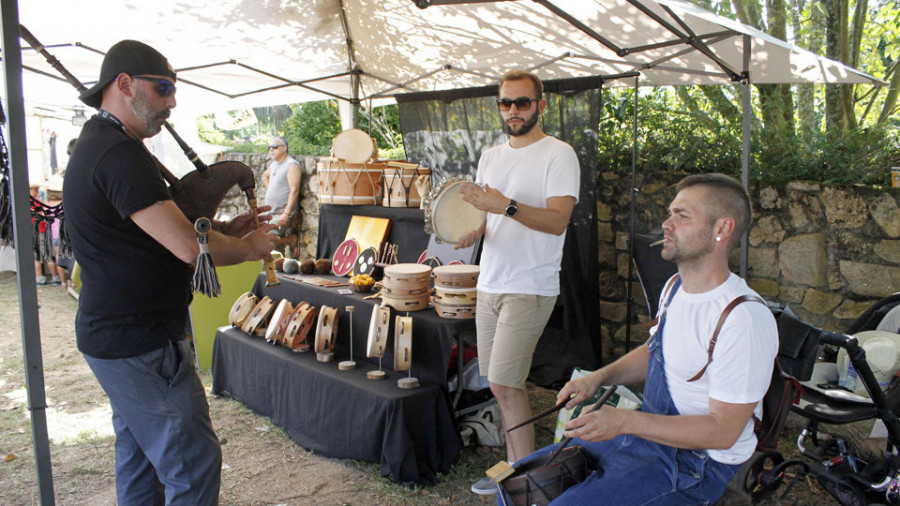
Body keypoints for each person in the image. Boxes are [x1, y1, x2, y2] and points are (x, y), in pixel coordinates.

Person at [64, 40, 276, 505]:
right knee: (192, 463)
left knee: (143, 462)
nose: (172, 101)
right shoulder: (119, 154)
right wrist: (247, 247)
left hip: (121, 338)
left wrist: (224, 228)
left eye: (173, 89)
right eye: (162, 88)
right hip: (138, 343)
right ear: (123, 85)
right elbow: (185, 246)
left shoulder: (107, 145)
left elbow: (154, 229)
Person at [508, 174, 779, 505]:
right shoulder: (675, 287)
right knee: (516, 483)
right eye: (670, 213)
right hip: (648, 437)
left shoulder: (742, 319)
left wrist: (624, 420)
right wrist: (599, 377)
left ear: (722, 229)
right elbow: (658, 352)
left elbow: (723, 432)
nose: (666, 224)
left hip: (697, 465)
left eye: (682, 216)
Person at [455, 70, 580, 495]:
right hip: (490, 281)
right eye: (505, 103)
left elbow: (558, 221)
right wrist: (476, 228)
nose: (512, 110)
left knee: (507, 382)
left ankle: (523, 476)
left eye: (522, 102)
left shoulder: (558, 154)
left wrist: (503, 205)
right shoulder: (490, 155)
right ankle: (515, 466)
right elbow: (488, 216)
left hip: (530, 284)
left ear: (540, 106)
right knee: (496, 382)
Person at [262, 135, 301, 254]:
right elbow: (265, 175)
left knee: (265, 240)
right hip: (270, 213)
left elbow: (294, 190)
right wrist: (270, 190)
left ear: (284, 148)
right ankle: (277, 268)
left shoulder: (291, 165)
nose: (271, 150)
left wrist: (286, 213)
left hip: (282, 213)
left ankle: (290, 239)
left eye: (274, 147)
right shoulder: (274, 164)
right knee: (273, 251)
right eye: (269, 147)